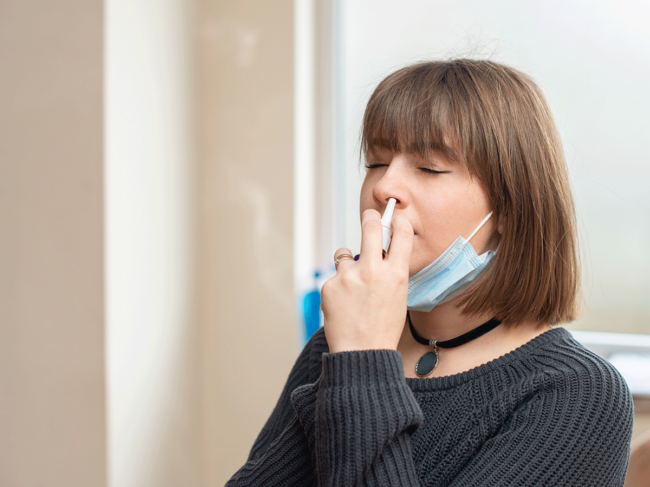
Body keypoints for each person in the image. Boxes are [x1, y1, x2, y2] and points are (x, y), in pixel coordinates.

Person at [227, 59, 634, 486]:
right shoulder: (339, 341)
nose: (383, 188)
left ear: (510, 211)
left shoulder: (579, 395)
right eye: (376, 163)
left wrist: (363, 363)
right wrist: (348, 356)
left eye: (430, 168)